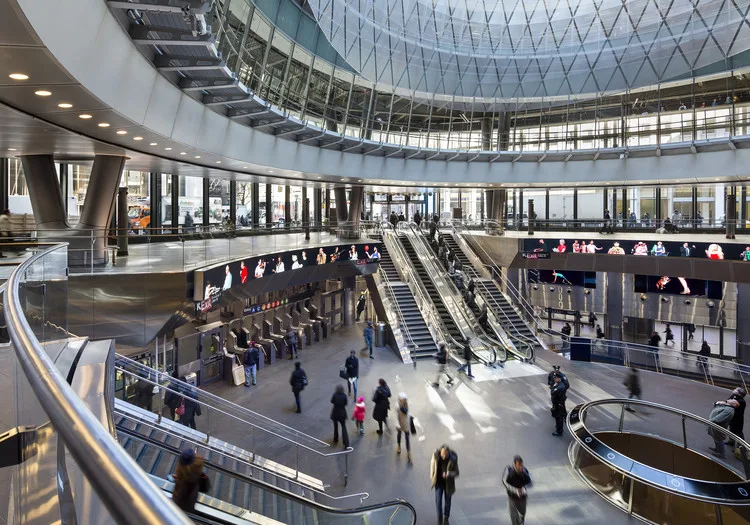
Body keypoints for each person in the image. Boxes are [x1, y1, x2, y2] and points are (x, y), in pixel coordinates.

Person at [430, 445, 459, 524]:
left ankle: (446, 518)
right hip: (438, 483)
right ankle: (439, 520)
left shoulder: (453, 458)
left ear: (448, 453)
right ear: (440, 452)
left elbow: (457, 473)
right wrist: (432, 477)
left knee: (447, 502)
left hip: (448, 485)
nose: (444, 457)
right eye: (442, 455)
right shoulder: (436, 455)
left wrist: (449, 474)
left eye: (446, 455)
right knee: (438, 502)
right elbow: (432, 466)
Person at [503, 455, 533, 525]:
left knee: (521, 516)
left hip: (523, 498)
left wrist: (524, 487)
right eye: (519, 465)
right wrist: (514, 490)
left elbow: (531, 482)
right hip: (512, 498)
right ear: (514, 464)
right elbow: (504, 481)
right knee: (514, 517)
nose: (520, 467)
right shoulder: (509, 470)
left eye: (521, 464)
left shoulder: (525, 471)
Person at [396, 392, 412, 463]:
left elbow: (407, 412)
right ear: (400, 399)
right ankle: (399, 445)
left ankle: (408, 452)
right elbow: (395, 415)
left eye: (405, 399)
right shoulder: (397, 405)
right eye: (403, 399)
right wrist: (397, 424)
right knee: (399, 435)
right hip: (400, 423)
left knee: (407, 438)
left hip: (406, 423)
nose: (405, 400)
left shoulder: (407, 404)